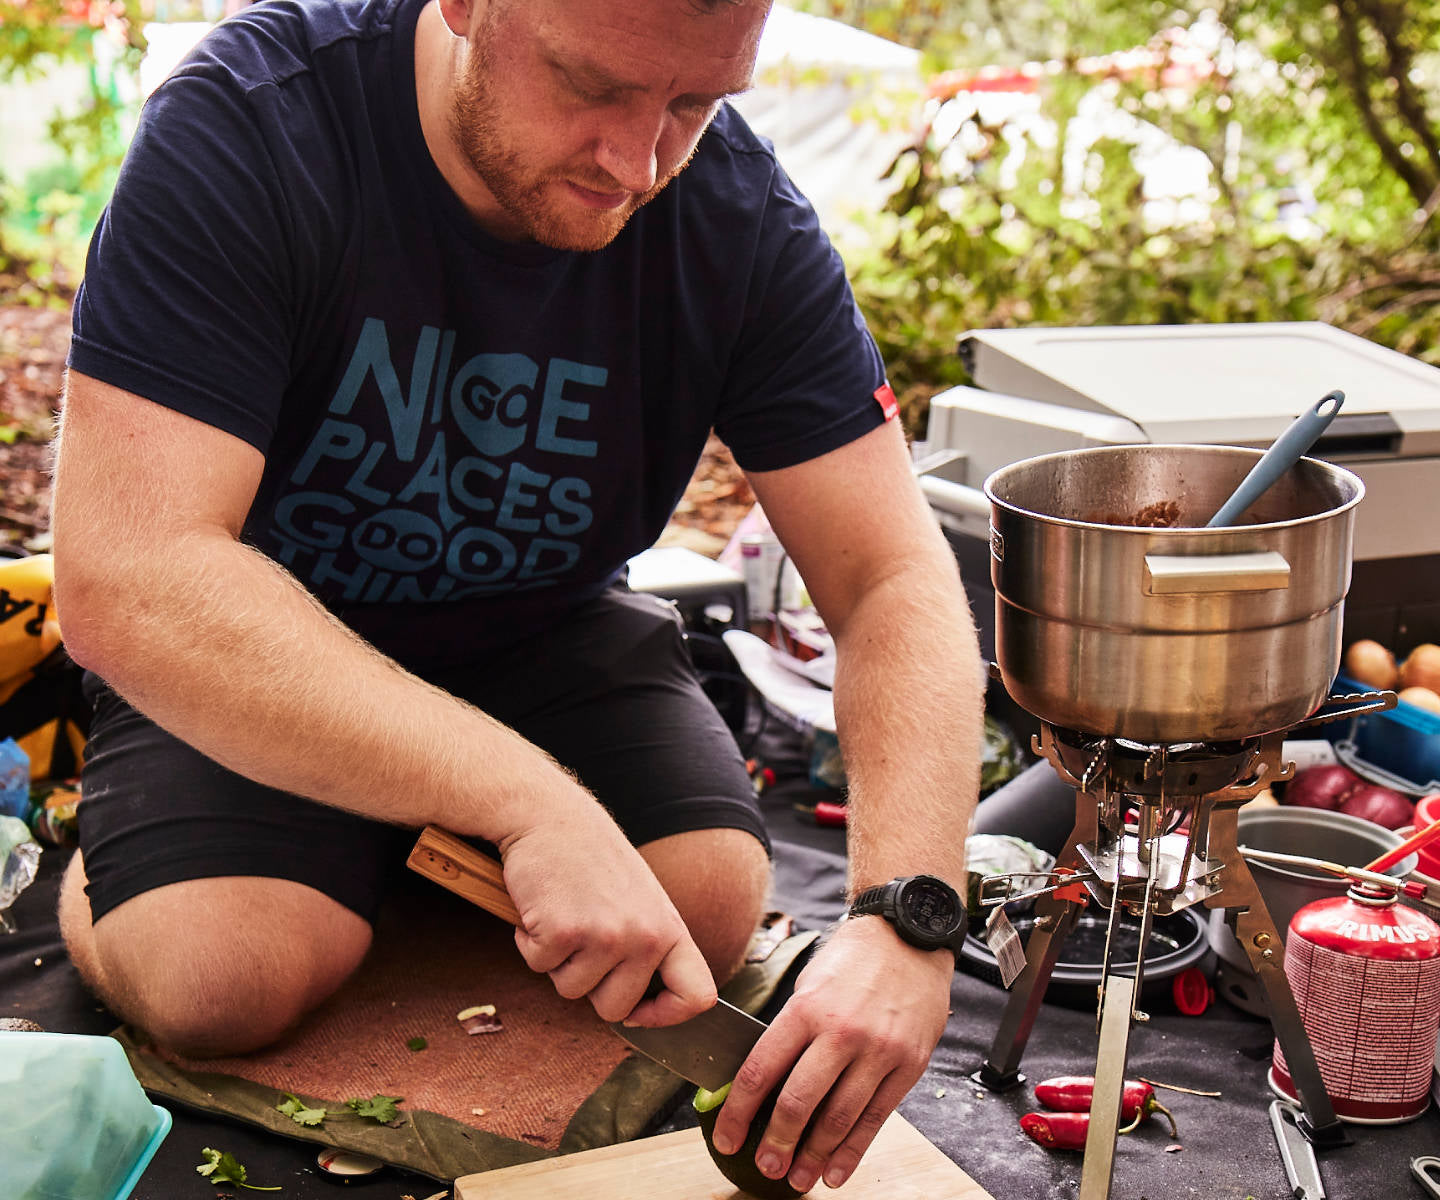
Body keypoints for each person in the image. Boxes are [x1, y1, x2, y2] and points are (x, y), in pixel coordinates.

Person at [50, 0, 984, 1191]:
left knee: (701, 913)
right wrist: (536, 812)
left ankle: (392, 852)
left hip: (546, 621)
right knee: (222, 976)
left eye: (695, 105)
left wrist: (908, 923)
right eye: (593, 86)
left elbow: (891, 575)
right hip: (261, 643)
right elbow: (133, 573)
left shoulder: (738, 214)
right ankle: (150, 849)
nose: (638, 163)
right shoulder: (250, 122)